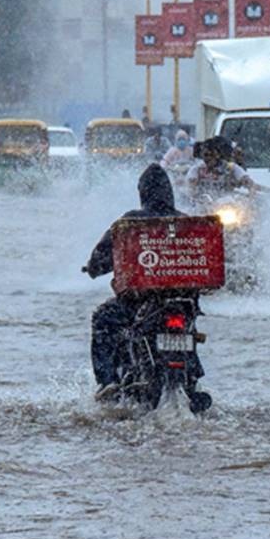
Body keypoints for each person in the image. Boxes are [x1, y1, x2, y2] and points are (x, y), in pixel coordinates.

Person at [83, 164, 184, 396]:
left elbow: (101, 258)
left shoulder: (130, 222)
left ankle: (107, 381)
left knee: (103, 318)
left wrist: (94, 268)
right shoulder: (188, 223)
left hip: (140, 303)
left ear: (143, 193)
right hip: (183, 302)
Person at [184, 136, 259, 201]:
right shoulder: (197, 169)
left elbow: (250, 184)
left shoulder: (231, 168)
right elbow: (190, 188)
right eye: (205, 155)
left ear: (218, 154)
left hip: (227, 208)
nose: (207, 158)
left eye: (210, 154)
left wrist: (250, 201)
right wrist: (193, 196)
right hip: (203, 207)